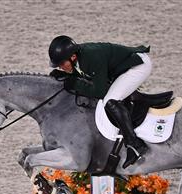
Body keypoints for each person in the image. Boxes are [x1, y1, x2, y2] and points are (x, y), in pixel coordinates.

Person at [48, 35, 152, 168]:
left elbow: (100, 91)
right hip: (123, 68)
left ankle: (135, 145)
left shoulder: (92, 56)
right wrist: (67, 76)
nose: (61, 67)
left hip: (138, 66)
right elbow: (85, 75)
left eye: (62, 64)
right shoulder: (79, 58)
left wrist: (74, 83)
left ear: (73, 57)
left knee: (110, 100)